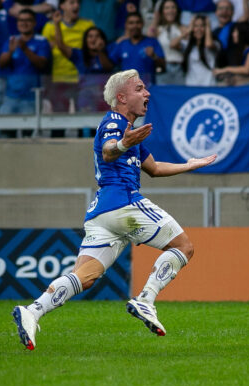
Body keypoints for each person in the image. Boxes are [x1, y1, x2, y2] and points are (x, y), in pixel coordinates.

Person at [11, 69, 217, 351]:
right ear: (121, 97)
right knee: (183, 246)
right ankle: (146, 299)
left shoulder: (130, 131)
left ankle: (32, 311)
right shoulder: (115, 122)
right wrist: (122, 143)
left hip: (102, 213)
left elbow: (154, 169)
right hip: (124, 202)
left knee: (85, 275)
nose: (147, 93)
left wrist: (189, 165)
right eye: (140, 89)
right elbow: (109, 150)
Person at [41, 0, 95, 135]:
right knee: (59, 121)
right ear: (62, 6)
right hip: (58, 78)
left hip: (81, 81)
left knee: (81, 121)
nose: (76, 5)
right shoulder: (49, 27)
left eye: (77, 3)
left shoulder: (88, 25)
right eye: (71, 2)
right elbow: (43, 50)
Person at [52, 10, 113, 113]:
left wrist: (100, 51)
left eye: (97, 36)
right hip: (85, 98)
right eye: (90, 36)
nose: (93, 39)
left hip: (104, 99)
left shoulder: (109, 52)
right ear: (85, 40)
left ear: (102, 39)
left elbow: (108, 67)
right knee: (85, 127)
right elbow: (61, 46)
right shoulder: (79, 55)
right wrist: (57, 24)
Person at [0, 8, 51, 116]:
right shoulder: (11, 40)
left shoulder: (41, 41)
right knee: (5, 129)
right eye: (21, 20)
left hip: (31, 97)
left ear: (34, 23)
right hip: (11, 96)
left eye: (28, 20)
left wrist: (25, 49)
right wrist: (10, 52)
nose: (24, 23)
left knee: (28, 129)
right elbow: (1, 64)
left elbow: (42, 64)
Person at [111, 12, 166, 86]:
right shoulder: (122, 44)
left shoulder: (152, 42)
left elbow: (163, 66)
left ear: (142, 24)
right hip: (127, 89)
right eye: (131, 23)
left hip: (147, 89)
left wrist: (154, 56)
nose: (135, 26)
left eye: (138, 22)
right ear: (126, 25)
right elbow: (109, 65)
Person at [149, 0, 187, 85]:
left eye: (173, 7)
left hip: (179, 68)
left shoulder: (183, 28)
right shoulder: (158, 29)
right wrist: (156, 17)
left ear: (177, 10)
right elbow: (149, 36)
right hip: (163, 68)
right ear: (162, 11)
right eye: (167, 8)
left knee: (180, 95)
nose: (170, 10)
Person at [213, 21, 249, 85]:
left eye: (235, 32)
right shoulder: (238, 50)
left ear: (243, 34)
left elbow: (247, 70)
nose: (233, 34)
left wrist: (226, 69)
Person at [183, 14, 219, 86]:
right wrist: (188, 31)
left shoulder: (215, 43)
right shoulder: (187, 45)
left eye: (202, 26)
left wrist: (208, 26)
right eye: (196, 26)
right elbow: (172, 44)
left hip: (209, 84)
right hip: (191, 85)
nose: (199, 29)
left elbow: (208, 44)